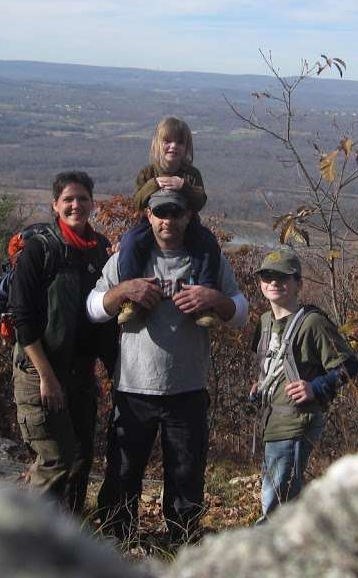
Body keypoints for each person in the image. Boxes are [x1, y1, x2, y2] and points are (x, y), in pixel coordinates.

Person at [87, 189, 248, 544]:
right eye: (160, 213)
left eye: (175, 213)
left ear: (188, 216)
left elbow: (240, 312)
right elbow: (94, 307)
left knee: (186, 476)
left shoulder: (206, 259)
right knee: (123, 472)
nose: (167, 221)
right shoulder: (129, 258)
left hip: (187, 388)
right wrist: (123, 291)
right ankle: (117, 542)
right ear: (148, 216)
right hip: (133, 387)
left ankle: (182, 546)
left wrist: (215, 300)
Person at [8, 170, 117, 514]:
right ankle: (33, 541)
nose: (76, 205)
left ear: (93, 204)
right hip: (39, 370)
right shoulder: (40, 250)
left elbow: (103, 319)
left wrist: (116, 372)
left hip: (79, 373)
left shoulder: (100, 250)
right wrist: (46, 377)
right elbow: (22, 321)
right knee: (55, 458)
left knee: (81, 458)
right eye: (68, 199)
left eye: (82, 198)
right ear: (55, 205)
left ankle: (68, 537)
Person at [251, 247, 358, 522]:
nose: (274, 283)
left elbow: (348, 365)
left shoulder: (312, 322)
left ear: (298, 284)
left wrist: (316, 387)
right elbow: (270, 362)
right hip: (272, 421)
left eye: (283, 277)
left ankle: (268, 555)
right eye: (268, 276)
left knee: (278, 503)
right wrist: (260, 385)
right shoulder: (265, 322)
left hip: (296, 421)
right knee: (278, 495)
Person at [117, 116, 222, 328]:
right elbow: (137, 202)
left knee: (208, 244)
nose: (173, 146)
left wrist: (183, 186)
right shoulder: (148, 173)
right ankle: (130, 299)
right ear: (158, 143)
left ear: (186, 147)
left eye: (180, 142)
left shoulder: (192, 174)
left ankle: (205, 302)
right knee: (129, 242)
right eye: (168, 141)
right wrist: (153, 184)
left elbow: (200, 201)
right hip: (151, 223)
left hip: (187, 222)